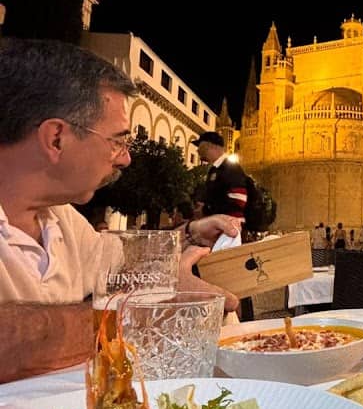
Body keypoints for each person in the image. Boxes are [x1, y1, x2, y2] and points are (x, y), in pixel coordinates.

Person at [0, 38, 239, 316]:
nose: (126, 159)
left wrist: (190, 234)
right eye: (117, 142)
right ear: (56, 139)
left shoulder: (59, 219)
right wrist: (137, 303)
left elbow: (121, 264)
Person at [191, 131, 247, 227]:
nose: (198, 150)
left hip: (228, 227)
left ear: (209, 145)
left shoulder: (230, 168)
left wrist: (206, 209)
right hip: (217, 225)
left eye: (199, 146)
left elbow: (238, 200)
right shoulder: (215, 169)